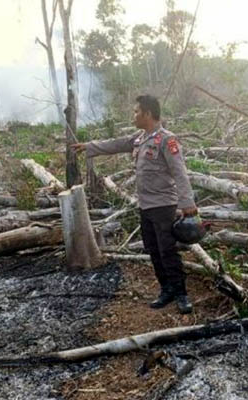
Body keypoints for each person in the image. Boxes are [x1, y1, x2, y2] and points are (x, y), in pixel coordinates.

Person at [72, 95, 197, 314]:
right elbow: (116, 144)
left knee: (168, 250)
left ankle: (181, 294)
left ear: (148, 114)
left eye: (136, 112)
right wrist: (89, 146)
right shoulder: (140, 138)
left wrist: (187, 203)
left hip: (164, 206)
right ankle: (166, 290)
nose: (134, 116)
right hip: (146, 206)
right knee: (153, 250)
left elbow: (180, 173)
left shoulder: (167, 140)